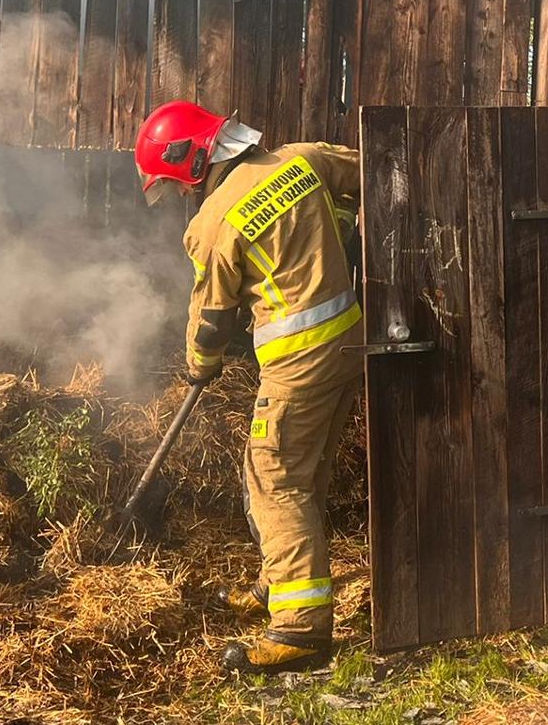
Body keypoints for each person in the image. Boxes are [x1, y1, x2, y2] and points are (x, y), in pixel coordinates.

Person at [135, 100, 364, 673]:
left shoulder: (212, 223)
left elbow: (211, 319)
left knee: (273, 478)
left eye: (175, 183)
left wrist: (198, 366)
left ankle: (299, 629)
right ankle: (274, 584)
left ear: (190, 160)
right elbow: (377, 168)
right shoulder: (303, 160)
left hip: (298, 359)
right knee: (301, 472)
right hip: (352, 344)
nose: (182, 195)